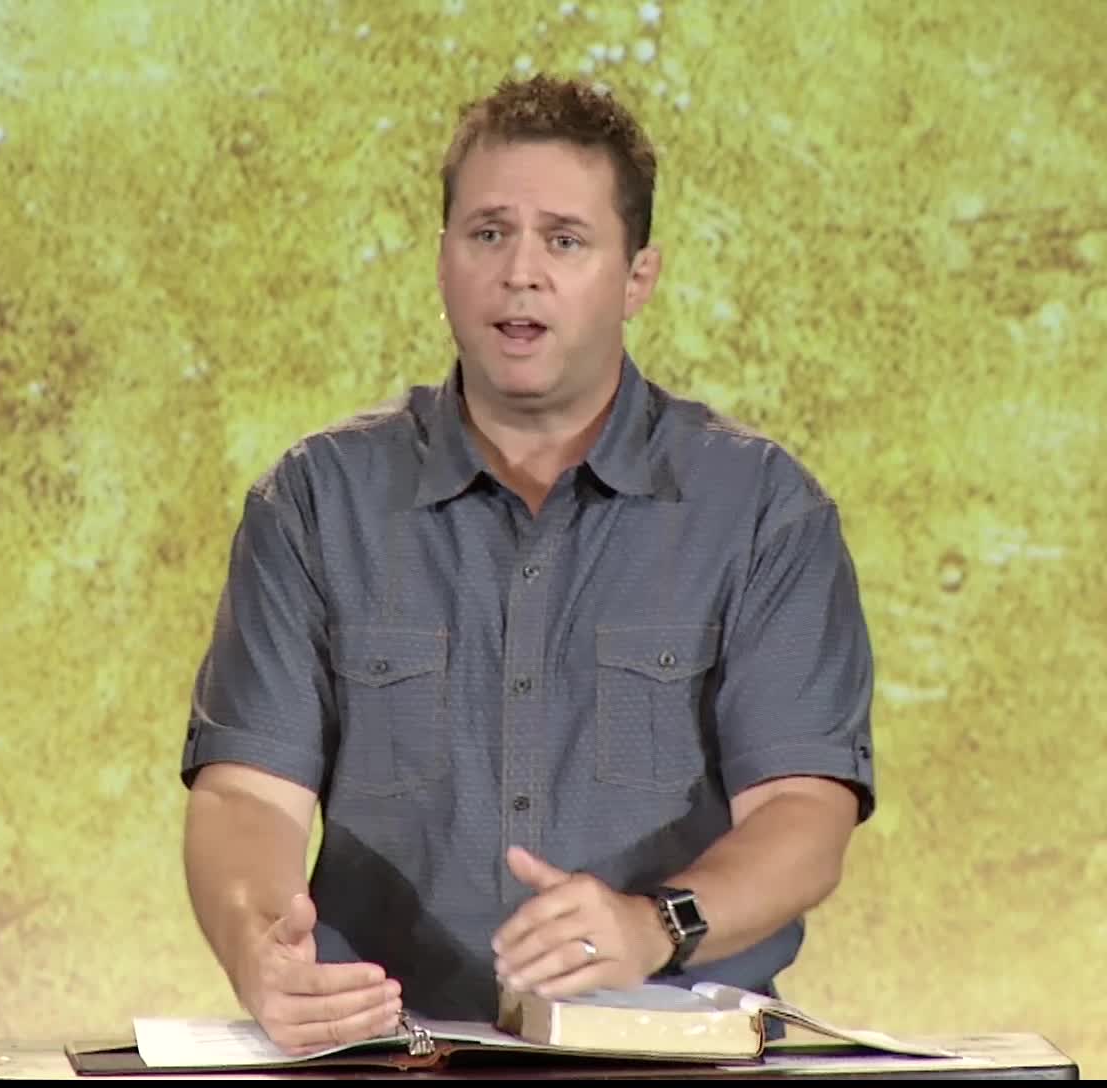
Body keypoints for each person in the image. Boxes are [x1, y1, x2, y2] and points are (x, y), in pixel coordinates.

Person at [178, 72, 877, 1056]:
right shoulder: (314, 502)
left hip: (674, 1058)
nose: (520, 273)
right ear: (443, 259)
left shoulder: (763, 510)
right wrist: (261, 952)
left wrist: (655, 922)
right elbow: (246, 794)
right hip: (393, 1054)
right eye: (489, 232)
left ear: (638, 276)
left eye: (565, 239)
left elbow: (804, 813)